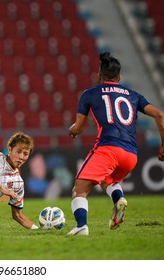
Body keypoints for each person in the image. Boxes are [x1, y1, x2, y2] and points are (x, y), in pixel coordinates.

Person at [67, 52, 164, 236]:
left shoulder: (90, 94)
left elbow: (78, 128)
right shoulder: (133, 95)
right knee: (107, 179)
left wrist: (72, 129)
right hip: (130, 155)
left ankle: (81, 227)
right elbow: (159, 115)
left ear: (99, 75)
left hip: (107, 149)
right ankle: (118, 199)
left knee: (79, 189)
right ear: (119, 78)